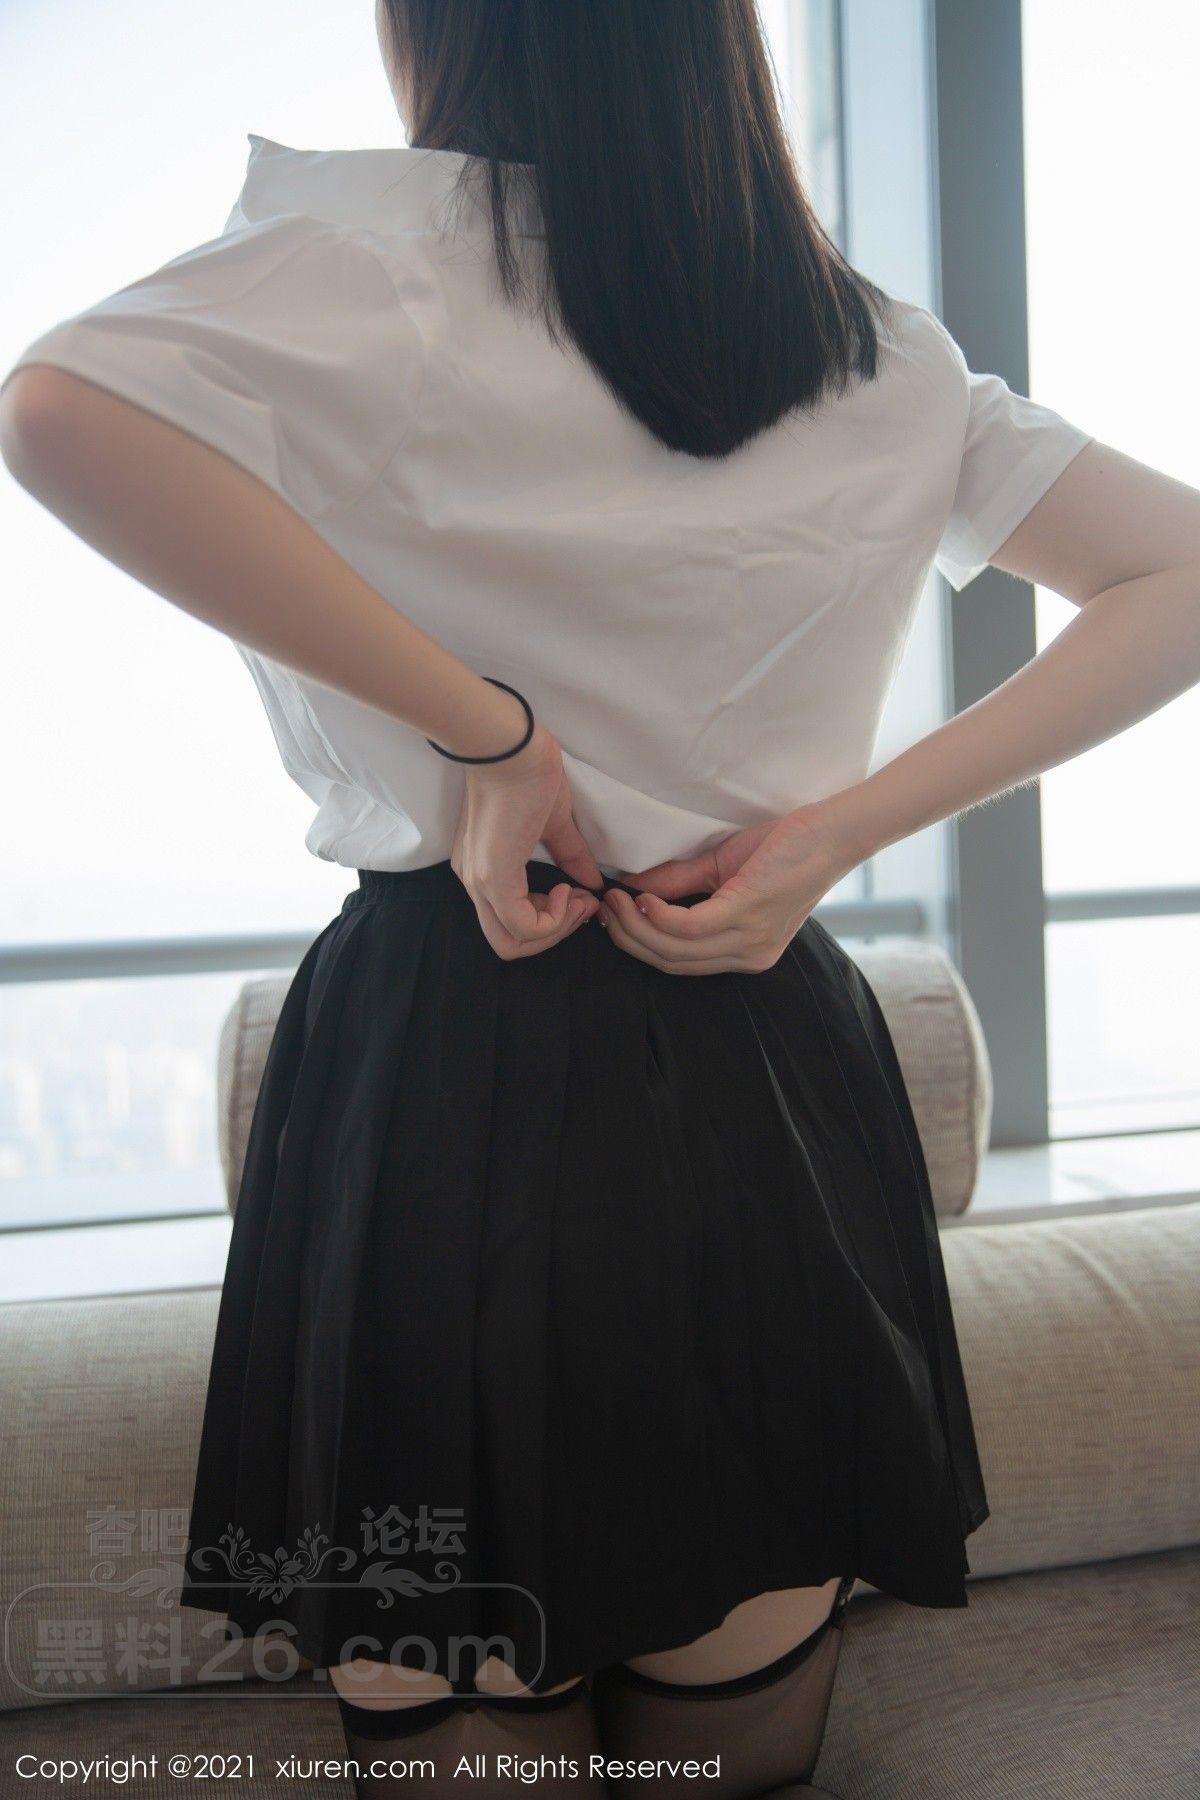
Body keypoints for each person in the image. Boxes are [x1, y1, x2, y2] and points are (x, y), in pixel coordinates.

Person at [4, 2, 1199, 1794]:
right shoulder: (867, 343)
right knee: (735, 1714)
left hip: (446, 1047)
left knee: (460, 1694)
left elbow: (57, 411)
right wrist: (834, 837)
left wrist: (487, 739)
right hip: (764, 1045)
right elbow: (1178, 570)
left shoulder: (370, 263)